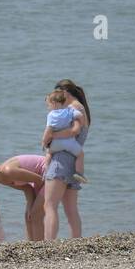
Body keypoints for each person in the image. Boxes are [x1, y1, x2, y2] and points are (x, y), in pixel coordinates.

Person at [41, 79, 92, 241]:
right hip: (73, 160)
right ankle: (76, 242)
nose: (58, 101)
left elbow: (72, 131)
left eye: (59, 96)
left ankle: (49, 243)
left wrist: (51, 136)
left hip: (61, 158)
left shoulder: (72, 108)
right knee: (71, 208)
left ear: (66, 93)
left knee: (49, 205)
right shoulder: (82, 109)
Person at [43, 90, 87, 183]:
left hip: (56, 143)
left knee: (49, 154)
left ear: (54, 103)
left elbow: (48, 131)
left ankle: (45, 171)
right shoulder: (70, 111)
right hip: (69, 142)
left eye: (48, 105)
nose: (48, 108)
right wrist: (82, 123)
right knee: (80, 155)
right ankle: (79, 173)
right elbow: (80, 116)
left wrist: (44, 142)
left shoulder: (51, 115)